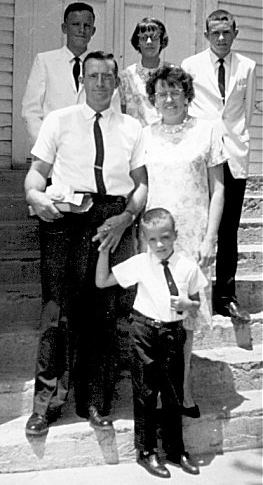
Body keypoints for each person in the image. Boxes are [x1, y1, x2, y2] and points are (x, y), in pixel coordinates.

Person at [24, 51, 148, 436]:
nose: (99, 83)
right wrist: (36, 198)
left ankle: (96, 401)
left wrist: (125, 218)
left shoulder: (132, 128)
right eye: (92, 76)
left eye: (106, 77)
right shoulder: (59, 121)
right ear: (82, 81)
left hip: (109, 219)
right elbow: (35, 175)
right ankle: (46, 404)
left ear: (115, 84)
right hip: (65, 216)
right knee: (57, 312)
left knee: (102, 313)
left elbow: (141, 185)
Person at [96, 208, 203, 478]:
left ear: (175, 236)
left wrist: (188, 304)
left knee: (173, 393)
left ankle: (176, 450)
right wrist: (104, 251)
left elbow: (196, 303)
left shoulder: (187, 266)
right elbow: (102, 281)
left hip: (172, 333)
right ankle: (146, 451)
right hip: (144, 332)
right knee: (145, 393)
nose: (159, 245)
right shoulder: (140, 263)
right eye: (152, 240)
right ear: (145, 240)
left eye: (165, 238)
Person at [144, 64, 225, 415]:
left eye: (176, 91)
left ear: (187, 94)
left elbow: (219, 188)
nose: (169, 98)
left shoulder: (207, 131)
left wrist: (210, 238)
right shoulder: (145, 135)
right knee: (159, 315)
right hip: (154, 238)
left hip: (192, 237)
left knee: (186, 318)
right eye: (162, 93)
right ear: (153, 99)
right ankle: (162, 389)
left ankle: (184, 386)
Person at [181, 9, 256, 321]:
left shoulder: (247, 67)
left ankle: (225, 297)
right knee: (199, 224)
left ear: (235, 33)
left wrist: (235, 140)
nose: (222, 38)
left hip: (233, 155)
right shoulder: (191, 66)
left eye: (227, 32)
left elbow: (245, 111)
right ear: (207, 35)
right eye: (215, 33)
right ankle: (193, 293)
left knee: (228, 230)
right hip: (202, 155)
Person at [22, 2, 96, 146]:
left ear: (93, 30)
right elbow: (30, 111)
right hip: (53, 150)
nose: (81, 30)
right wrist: (45, 147)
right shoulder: (45, 61)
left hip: (89, 152)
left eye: (87, 25)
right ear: (64, 28)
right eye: (75, 24)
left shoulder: (100, 65)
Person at [118, 17, 169, 126]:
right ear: (137, 42)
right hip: (136, 138)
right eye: (143, 37)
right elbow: (121, 113)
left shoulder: (172, 73)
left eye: (154, 37)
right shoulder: (126, 76)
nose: (149, 42)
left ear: (162, 41)